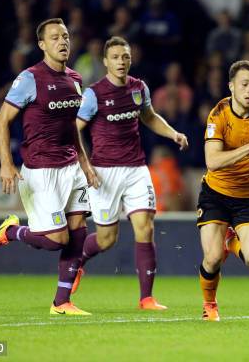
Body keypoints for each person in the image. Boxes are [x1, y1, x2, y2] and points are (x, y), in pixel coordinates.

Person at [0, 18, 98, 316]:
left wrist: (85, 165)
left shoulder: (76, 79)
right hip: (40, 170)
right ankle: (12, 231)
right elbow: (2, 121)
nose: (63, 42)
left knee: (78, 232)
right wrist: (6, 164)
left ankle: (61, 303)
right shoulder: (29, 78)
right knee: (56, 240)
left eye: (65, 36)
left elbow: (74, 129)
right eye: (55, 38)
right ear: (42, 45)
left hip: (71, 167)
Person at [74, 36, 189, 310]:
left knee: (145, 227)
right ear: (106, 62)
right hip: (104, 172)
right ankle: (76, 261)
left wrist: (173, 133)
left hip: (137, 169)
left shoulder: (139, 88)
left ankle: (146, 298)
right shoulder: (94, 94)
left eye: (125, 56)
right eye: (115, 57)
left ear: (130, 59)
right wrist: (86, 166)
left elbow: (148, 116)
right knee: (106, 239)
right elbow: (74, 129)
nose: (121, 61)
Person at [196, 60, 249, 321]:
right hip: (216, 194)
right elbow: (213, 161)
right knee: (211, 258)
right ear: (231, 86)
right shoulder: (218, 114)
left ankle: (231, 240)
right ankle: (210, 305)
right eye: (244, 84)